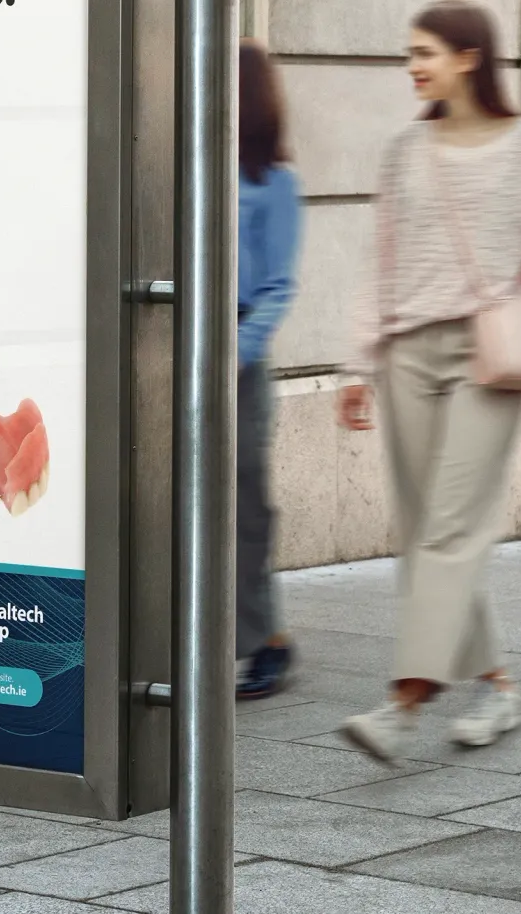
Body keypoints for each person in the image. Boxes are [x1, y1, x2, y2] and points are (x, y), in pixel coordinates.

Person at [336, 0, 521, 761]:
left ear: (469, 57)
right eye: (409, 54)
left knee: (450, 526)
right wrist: (358, 363)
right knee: (427, 531)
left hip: (492, 356)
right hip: (409, 354)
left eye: (426, 53)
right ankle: (501, 685)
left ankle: (403, 702)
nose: (413, 67)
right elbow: (378, 263)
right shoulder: (403, 150)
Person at [234, 39, 303, 699]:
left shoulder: (273, 183)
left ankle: (267, 640)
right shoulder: (190, 167)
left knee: (244, 502)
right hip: (178, 346)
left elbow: (280, 285)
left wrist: (235, 351)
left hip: (237, 356)